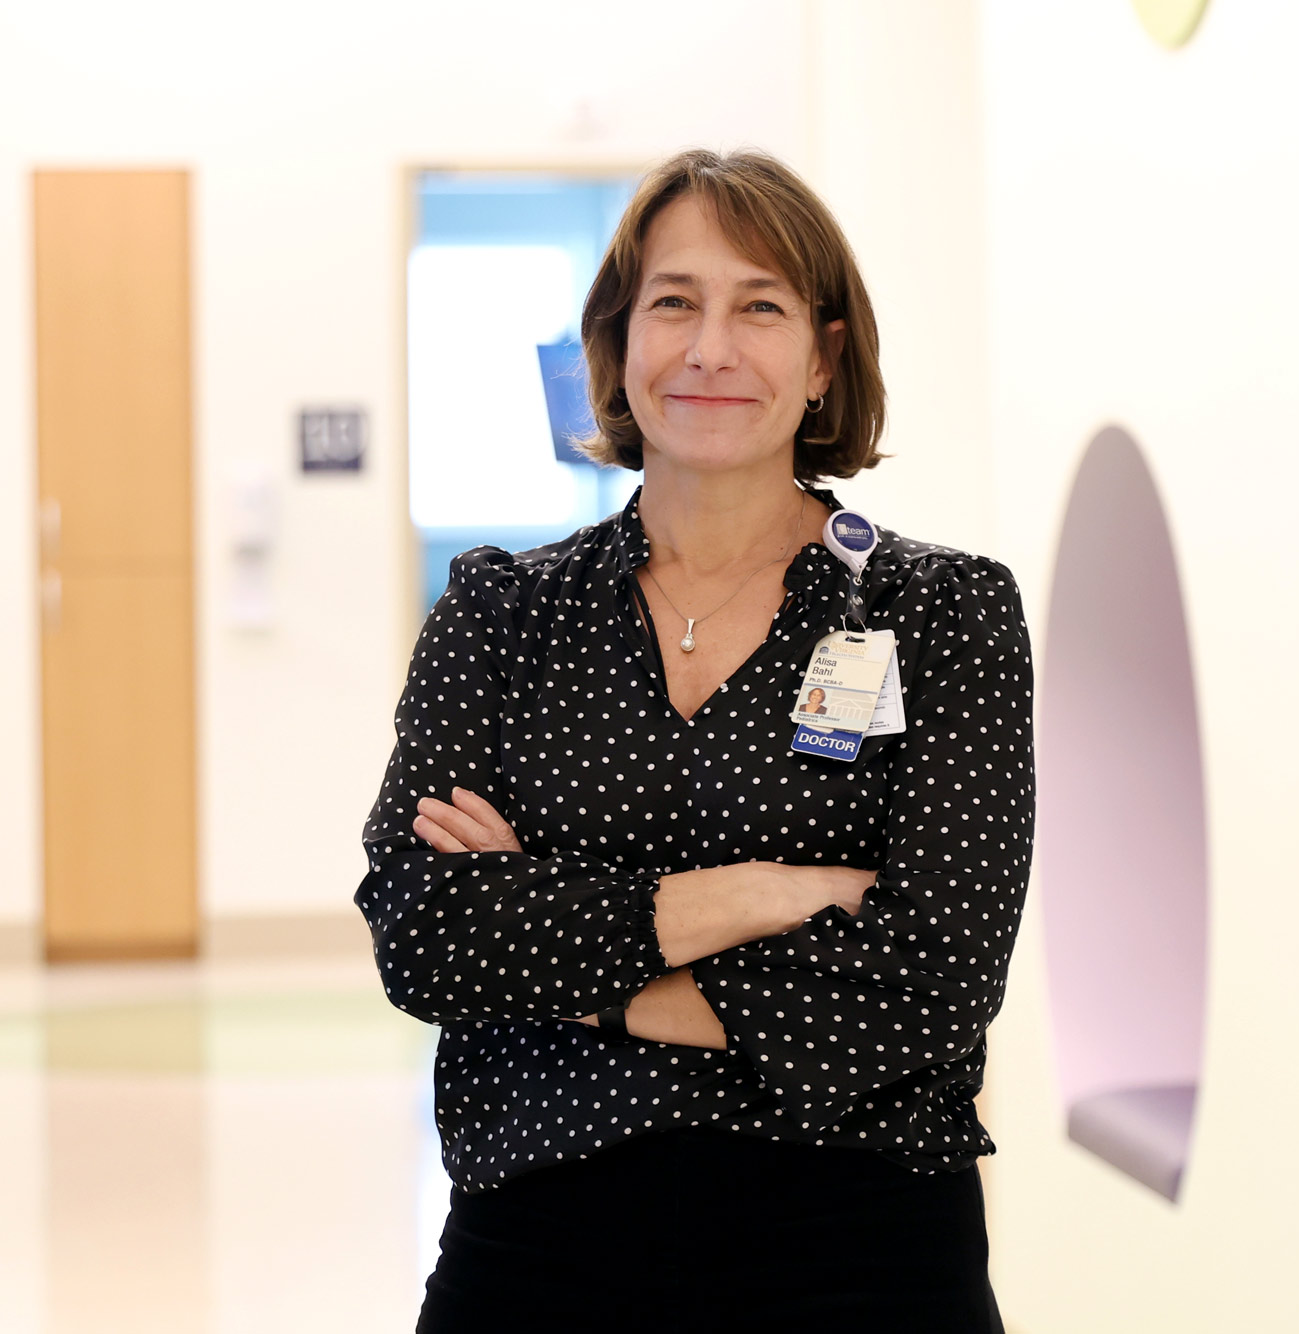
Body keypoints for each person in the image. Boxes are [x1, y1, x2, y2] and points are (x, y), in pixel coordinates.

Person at [354, 147, 1035, 1333]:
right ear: (616, 346)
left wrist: (571, 976)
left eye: (759, 306)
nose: (710, 348)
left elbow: (932, 979)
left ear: (823, 358)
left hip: (862, 1244)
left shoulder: (941, 614)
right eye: (673, 302)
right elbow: (425, 933)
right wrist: (759, 892)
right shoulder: (503, 613)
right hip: (538, 1241)